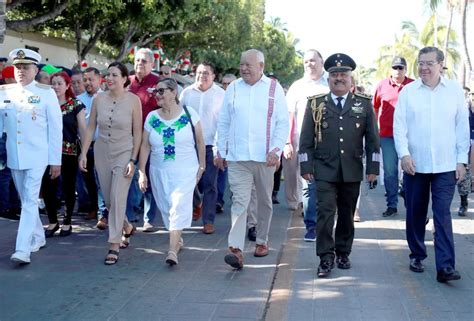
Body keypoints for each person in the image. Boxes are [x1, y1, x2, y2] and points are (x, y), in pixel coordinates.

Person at [299, 53, 380, 277]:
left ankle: (343, 252)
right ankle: (325, 257)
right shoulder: (315, 104)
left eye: (343, 74)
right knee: (325, 213)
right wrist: (305, 167)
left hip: (352, 170)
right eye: (334, 74)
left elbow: (373, 140)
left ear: (350, 79)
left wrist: (373, 169)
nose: (339, 78)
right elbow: (305, 141)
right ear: (328, 79)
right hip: (324, 169)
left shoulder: (363, 105)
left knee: (346, 214)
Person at [394, 46, 469, 283]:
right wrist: (404, 155)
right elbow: (400, 126)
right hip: (415, 164)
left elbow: (462, 128)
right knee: (416, 211)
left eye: (429, 63)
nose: (424, 68)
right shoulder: (408, 92)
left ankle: (445, 266)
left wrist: (461, 160)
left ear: (441, 65)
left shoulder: (455, 91)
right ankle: (417, 253)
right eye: (421, 63)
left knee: (442, 213)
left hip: (446, 165)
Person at [215, 49, 289, 269]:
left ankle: (262, 241)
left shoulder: (274, 89)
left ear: (261, 66)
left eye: (249, 65)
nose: (244, 68)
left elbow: (282, 123)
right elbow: (224, 122)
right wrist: (220, 151)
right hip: (238, 158)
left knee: (265, 201)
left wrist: (276, 150)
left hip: (264, 158)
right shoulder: (233, 89)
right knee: (239, 202)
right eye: (241, 64)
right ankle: (236, 249)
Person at [0, 48, 63, 264]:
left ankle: (22, 249)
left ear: (35, 70)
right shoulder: (4, 93)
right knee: (27, 199)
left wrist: (56, 161)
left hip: (38, 156)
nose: (20, 71)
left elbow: (55, 130)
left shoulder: (46, 94)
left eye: (25, 67)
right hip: (15, 156)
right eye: (17, 67)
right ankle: (38, 236)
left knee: (28, 200)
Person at [79, 62, 142, 265]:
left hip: (124, 151)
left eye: (115, 75)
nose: (110, 78)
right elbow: (90, 128)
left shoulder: (134, 101)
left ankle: (114, 244)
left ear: (125, 78)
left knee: (118, 196)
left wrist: (133, 159)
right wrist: (83, 153)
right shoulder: (99, 99)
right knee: (108, 200)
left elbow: (138, 133)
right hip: (102, 151)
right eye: (108, 75)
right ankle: (126, 226)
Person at [139, 78, 205, 265]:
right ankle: (177, 239)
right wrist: (142, 171)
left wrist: (202, 165)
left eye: (161, 91)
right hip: (159, 171)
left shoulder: (189, 114)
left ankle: (171, 251)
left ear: (173, 92)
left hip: (185, 170)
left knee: (177, 206)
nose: (157, 95)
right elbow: (145, 146)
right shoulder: (152, 117)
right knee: (168, 209)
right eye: (156, 92)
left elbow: (200, 141)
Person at [283, 49, 329, 242]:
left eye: (313, 60)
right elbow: (288, 116)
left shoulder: (330, 83)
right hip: (304, 142)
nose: (309, 64)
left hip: (328, 142)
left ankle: (326, 223)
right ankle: (311, 226)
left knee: (326, 185)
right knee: (308, 183)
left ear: (322, 62)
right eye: (306, 61)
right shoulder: (297, 87)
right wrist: (287, 142)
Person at [179, 61, 225, 234]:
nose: (202, 76)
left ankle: (208, 220)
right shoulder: (187, 93)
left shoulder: (221, 94)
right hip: (189, 146)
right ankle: (196, 203)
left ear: (213, 76)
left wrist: (221, 147)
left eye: (206, 73)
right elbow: (179, 117)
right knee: (189, 182)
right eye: (199, 72)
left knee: (210, 184)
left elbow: (224, 122)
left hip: (210, 145)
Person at [42, 72, 87, 237]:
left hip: (69, 152)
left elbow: (83, 129)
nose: (55, 87)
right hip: (47, 152)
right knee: (47, 187)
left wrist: (84, 152)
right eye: (53, 83)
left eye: (59, 83)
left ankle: (67, 222)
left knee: (68, 187)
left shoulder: (76, 105)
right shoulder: (45, 103)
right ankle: (52, 222)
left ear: (68, 85)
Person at [373, 56, 414, 217]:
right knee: (390, 172)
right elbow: (375, 108)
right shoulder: (382, 85)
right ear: (391, 69)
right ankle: (392, 204)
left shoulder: (413, 85)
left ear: (406, 69)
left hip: (409, 135)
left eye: (401, 68)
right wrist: (375, 128)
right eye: (395, 68)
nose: (398, 71)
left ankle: (406, 193)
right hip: (387, 135)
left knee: (410, 169)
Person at [128, 48, 160, 232]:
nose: (140, 63)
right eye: (138, 60)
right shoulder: (128, 82)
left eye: (144, 61)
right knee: (130, 175)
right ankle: (131, 217)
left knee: (147, 176)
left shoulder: (157, 83)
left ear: (151, 64)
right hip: (130, 137)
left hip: (150, 138)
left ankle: (149, 218)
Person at [77, 67, 104, 227]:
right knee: (89, 180)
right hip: (85, 147)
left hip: (102, 145)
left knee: (102, 180)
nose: (87, 83)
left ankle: (103, 214)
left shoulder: (106, 97)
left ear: (99, 79)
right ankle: (93, 208)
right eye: (85, 80)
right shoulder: (78, 100)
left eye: (90, 79)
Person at [216, 73, 237, 213]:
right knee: (220, 172)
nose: (226, 86)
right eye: (224, 84)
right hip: (219, 142)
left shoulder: (241, 98)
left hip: (236, 145)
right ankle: (218, 200)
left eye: (230, 84)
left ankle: (235, 199)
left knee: (234, 177)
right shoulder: (216, 97)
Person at [456, 87, 473, 216]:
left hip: (470, 141)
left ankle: (464, 202)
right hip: (459, 142)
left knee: (466, 173)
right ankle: (463, 202)